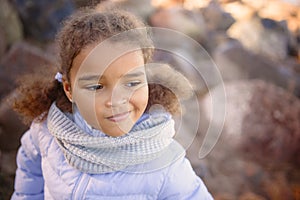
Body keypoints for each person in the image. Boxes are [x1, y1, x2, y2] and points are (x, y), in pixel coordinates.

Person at [11, 4, 213, 200]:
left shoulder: (165, 164)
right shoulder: (49, 130)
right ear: (69, 89)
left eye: (132, 83)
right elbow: (30, 164)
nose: (116, 101)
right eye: (97, 87)